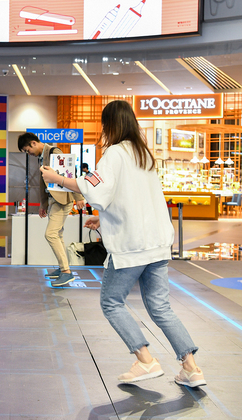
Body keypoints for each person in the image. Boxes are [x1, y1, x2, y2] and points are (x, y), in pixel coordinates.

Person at [41, 100, 206, 388]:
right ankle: (191, 368)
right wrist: (103, 221)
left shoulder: (115, 154)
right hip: (156, 244)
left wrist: (57, 179)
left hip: (130, 248)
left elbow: (94, 189)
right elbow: (134, 201)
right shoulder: (145, 155)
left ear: (109, 125)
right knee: (160, 307)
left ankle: (145, 360)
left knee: (111, 302)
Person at [18, 132, 84, 287]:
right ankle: (63, 269)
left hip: (62, 200)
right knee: (58, 234)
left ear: (34, 143)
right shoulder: (42, 157)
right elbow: (43, 183)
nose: (30, 154)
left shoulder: (55, 152)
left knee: (51, 234)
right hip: (52, 199)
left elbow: (70, 173)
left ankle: (66, 272)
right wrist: (43, 204)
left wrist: (78, 196)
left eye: (28, 150)